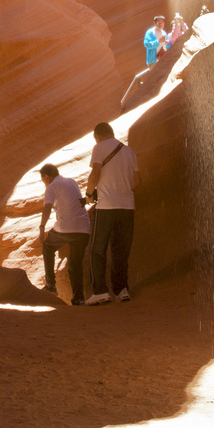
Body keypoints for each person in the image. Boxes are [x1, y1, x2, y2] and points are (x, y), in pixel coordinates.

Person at [83, 122, 138, 304]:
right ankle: (121, 290)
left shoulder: (99, 147)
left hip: (106, 207)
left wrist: (90, 194)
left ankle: (100, 291)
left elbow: (95, 173)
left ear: (97, 136)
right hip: (127, 207)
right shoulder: (130, 152)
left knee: (97, 250)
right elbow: (137, 181)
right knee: (120, 250)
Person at [35, 163, 91, 305]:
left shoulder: (51, 186)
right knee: (75, 264)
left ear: (47, 177)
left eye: (43, 181)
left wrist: (42, 227)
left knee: (48, 247)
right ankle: (79, 299)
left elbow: (47, 206)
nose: (44, 184)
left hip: (66, 228)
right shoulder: (72, 182)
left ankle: (51, 286)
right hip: (84, 229)